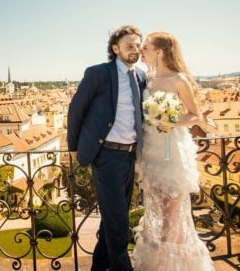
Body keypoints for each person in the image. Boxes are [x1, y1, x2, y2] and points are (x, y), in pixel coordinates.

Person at [132, 31, 214, 271]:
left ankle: (173, 266)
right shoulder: (146, 78)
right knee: (154, 211)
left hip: (174, 153)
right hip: (151, 153)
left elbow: (195, 114)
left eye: (145, 47)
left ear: (159, 52)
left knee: (172, 215)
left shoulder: (179, 80)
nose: (141, 51)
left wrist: (171, 121)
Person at [67, 25, 146, 271]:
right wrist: (73, 146)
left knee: (113, 219)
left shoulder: (141, 75)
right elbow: (76, 110)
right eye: (129, 46)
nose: (135, 50)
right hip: (106, 155)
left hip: (129, 156)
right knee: (119, 224)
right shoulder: (98, 73)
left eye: (138, 45)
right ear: (115, 48)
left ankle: (99, 266)